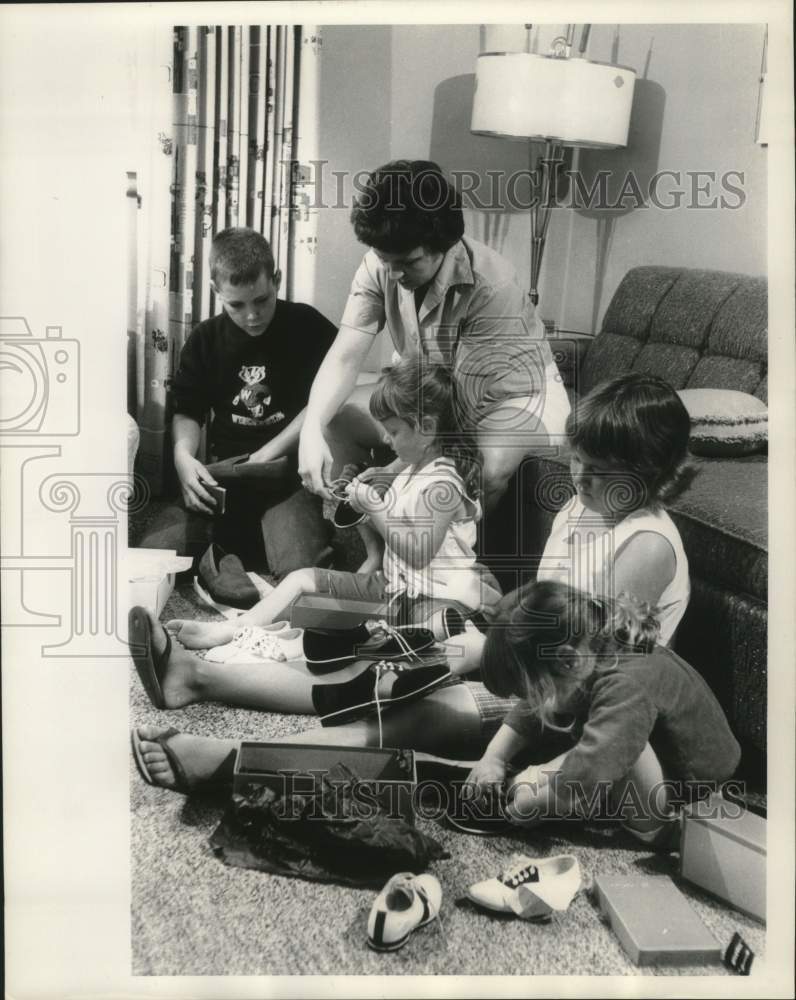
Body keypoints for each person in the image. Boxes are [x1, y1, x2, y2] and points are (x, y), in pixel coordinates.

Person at [130, 373, 698, 790]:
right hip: (528, 666)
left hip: (568, 708)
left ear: (649, 476)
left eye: (599, 474)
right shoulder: (584, 507)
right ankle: (198, 679)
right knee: (373, 672)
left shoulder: (645, 545)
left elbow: (588, 670)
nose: (580, 480)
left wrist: (486, 652)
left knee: (396, 717)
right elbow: (551, 612)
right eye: (579, 463)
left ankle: (229, 760)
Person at [162, 355, 502, 650]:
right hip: (397, 588)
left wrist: (376, 508)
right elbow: (392, 540)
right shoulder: (414, 469)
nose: (385, 439)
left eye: (394, 432)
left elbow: (417, 550)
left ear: (427, 429)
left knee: (428, 627)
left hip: (436, 596)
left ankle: (426, 636)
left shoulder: (442, 484)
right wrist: (363, 510)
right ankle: (229, 631)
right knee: (300, 582)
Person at [296, 159, 571, 515]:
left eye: (409, 262)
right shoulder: (381, 263)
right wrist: (311, 430)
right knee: (337, 418)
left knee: (486, 468)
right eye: (385, 260)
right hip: (434, 392)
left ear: (443, 243)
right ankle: (364, 554)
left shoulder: (492, 286)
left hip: (514, 397)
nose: (393, 274)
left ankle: (457, 568)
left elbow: (462, 407)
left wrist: (398, 469)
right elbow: (346, 356)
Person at [466, 580, 741, 846]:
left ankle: (660, 830)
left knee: (586, 765)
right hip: (650, 753)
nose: (533, 705)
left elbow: (597, 764)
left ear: (568, 661)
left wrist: (543, 801)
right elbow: (532, 707)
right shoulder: (588, 649)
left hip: (688, 797)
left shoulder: (625, 685)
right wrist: (494, 757)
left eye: (535, 693)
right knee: (558, 751)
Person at [138, 227, 337, 574]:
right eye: (236, 305)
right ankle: (238, 541)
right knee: (153, 556)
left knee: (303, 569)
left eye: (262, 300)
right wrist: (183, 457)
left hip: (288, 475)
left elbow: (327, 398)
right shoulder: (204, 339)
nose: (251, 316)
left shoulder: (307, 326)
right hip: (226, 474)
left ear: (276, 279)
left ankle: (243, 542)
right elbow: (188, 411)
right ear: (217, 292)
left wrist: (266, 454)